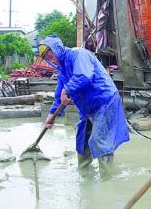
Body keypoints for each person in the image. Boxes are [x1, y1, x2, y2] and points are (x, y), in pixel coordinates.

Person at [38, 34, 130, 178]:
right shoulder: (62, 70)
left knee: (99, 140)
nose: (52, 60)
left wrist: (67, 89)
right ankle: (85, 177)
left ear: (58, 49)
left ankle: (107, 181)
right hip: (87, 108)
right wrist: (52, 115)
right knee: (81, 140)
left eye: (52, 55)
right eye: (48, 59)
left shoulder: (78, 54)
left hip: (104, 101)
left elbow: (84, 76)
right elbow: (58, 97)